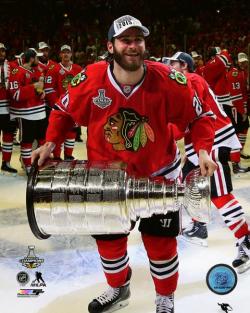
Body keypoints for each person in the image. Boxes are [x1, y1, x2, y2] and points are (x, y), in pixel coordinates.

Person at [32, 15, 216, 313]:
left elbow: (200, 117)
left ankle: (165, 297)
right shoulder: (90, 79)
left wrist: (204, 151)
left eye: (138, 40)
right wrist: (50, 142)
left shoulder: (170, 80)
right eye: (125, 40)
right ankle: (119, 288)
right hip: (107, 181)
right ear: (111, 46)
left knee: (161, 245)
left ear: (145, 45)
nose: (133, 46)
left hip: (159, 176)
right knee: (110, 243)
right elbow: (62, 112)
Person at [164, 51, 250, 274]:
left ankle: (246, 240)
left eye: (172, 63)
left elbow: (183, 123)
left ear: (183, 65)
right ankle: (199, 226)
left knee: (219, 194)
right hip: (201, 143)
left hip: (214, 138)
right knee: (186, 181)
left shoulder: (191, 80)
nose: (169, 68)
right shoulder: (188, 81)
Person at [8, 48, 46, 174]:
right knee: (27, 141)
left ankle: (40, 163)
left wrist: (41, 93)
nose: (38, 60)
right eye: (36, 58)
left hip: (39, 112)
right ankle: (28, 166)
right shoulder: (17, 72)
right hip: (25, 114)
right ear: (31, 59)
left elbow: (37, 90)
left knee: (42, 139)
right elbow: (16, 95)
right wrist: (33, 87)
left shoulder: (35, 71)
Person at [0, 42, 17, 174]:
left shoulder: (11, 66)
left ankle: (6, 163)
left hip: (8, 108)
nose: (1, 53)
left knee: (8, 137)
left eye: (3, 51)